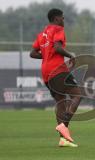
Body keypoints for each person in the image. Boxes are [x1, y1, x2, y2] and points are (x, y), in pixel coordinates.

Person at [30, 8, 81, 147]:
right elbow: (58, 47)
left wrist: (46, 55)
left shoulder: (42, 34)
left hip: (46, 73)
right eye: (62, 18)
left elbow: (32, 53)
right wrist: (70, 55)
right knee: (78, 95)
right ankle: (63, 125)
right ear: (57, 19)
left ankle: (63, 139)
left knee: (61, 102)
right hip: (57, 70)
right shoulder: (58, 29)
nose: (63, 20)